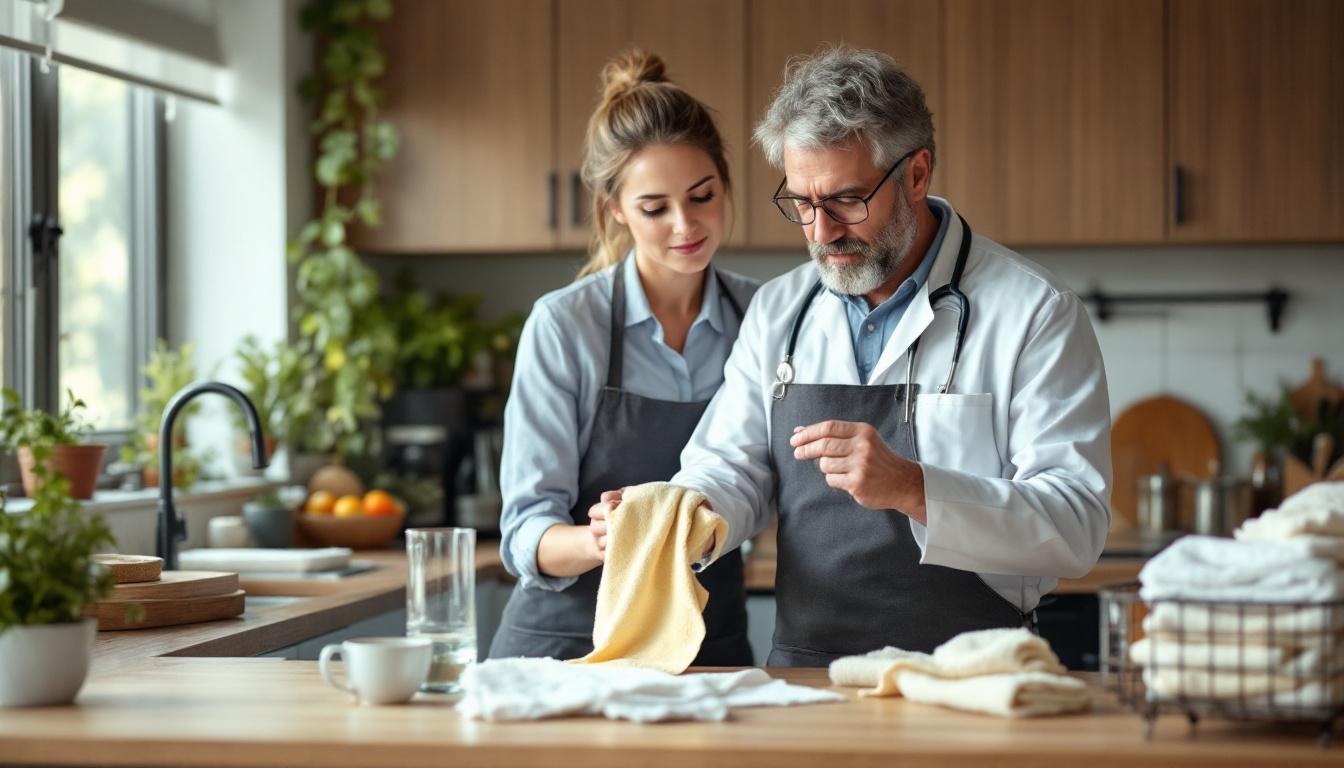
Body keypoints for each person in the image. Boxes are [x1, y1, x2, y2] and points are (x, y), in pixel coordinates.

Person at [660, 46, 1113, 666]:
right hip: (808, 681)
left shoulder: (1034, 312)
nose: (820, 233)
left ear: (917, 174)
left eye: (847, 200)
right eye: (802, 204)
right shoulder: (779, 311)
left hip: (973, 678)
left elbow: (1076, 523)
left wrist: (914, 487)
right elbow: (731, 468)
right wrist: (679, 514)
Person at [488, 50, 759, 666]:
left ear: (725, 181)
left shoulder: (763, 319)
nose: (685, 225)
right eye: (654, 207)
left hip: (706, 647)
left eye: (702, 195)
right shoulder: (565, 326)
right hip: (563, 648)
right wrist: (603, 538)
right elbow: (526, 532)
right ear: (614, 208)